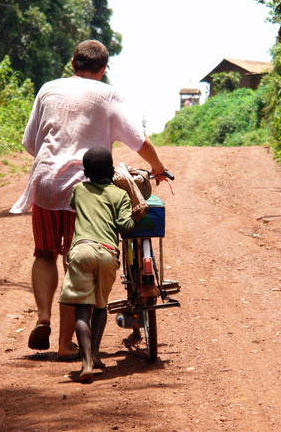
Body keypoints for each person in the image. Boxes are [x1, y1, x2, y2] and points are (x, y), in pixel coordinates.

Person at [10, 39, 168, 360]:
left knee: (44, 253)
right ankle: (66, 345)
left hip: (44, 183)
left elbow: (31, 143)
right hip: (85, 188)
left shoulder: (48, 89)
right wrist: (158, 168)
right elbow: (139, 140)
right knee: (76, 261)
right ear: (104, 69)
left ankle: (43, 317)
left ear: (72, 63)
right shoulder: (109, 94)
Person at [58, 147, 134, 381]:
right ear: (112, 171)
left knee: (83, 309)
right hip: (107, 253)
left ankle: (86, 363)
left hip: (81, 251)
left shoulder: (79, 189)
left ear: (86, 172)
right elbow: (124, 226)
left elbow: (73, 204)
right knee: (100, 307)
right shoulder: (120, 195)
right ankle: (96, 352)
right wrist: (131, 219)